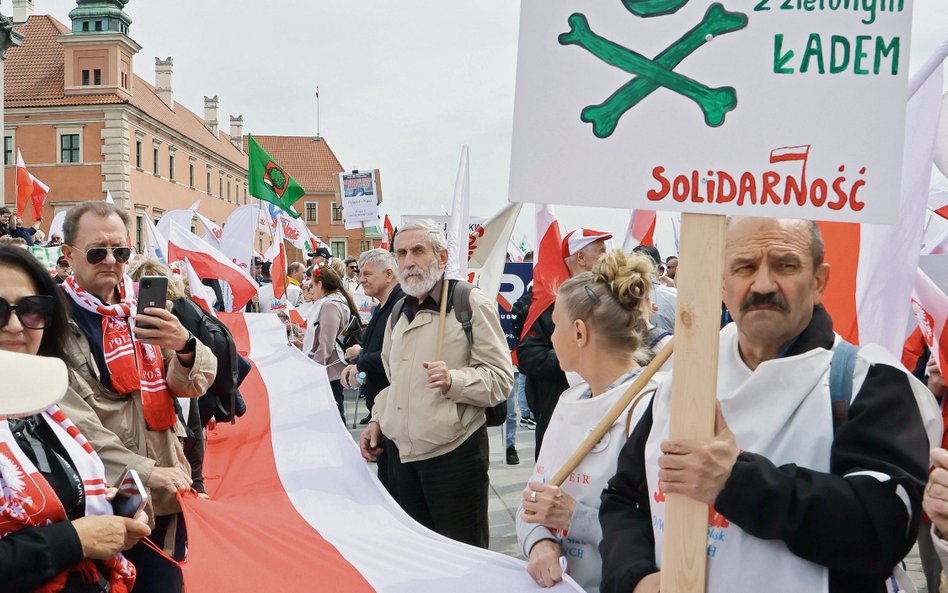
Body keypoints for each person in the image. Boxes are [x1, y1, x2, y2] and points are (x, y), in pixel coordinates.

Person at [599, 217, 941, 593]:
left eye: (785, 265)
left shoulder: (869, 381)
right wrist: (636, 577)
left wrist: (736, 482)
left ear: (818, 282)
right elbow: (623, 498)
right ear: (723, 284)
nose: (762, 284)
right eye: (745, 267)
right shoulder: (685, 377)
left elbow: (883, 528)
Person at [58, 201, 217, 593]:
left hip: (164, 493)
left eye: (121, 251)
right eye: (97, 252)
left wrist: (183, 346)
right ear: (68, 255)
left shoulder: (139, 309)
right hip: (101, 498)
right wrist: (145, 471)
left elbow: (193, 384)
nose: (111, 261)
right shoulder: (52, 322)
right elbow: (74, 421)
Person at [0, 245, 150, 592]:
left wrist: (100, 511)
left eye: (31, 310)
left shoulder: (44, 404)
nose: (13, 326)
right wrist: (76, 539)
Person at [358, 219, 513, 548]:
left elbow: (501, 379)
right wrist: (377, 420)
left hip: (453, 457)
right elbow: (393, 382)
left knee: (461, 560)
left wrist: (454, 380)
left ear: (442, 258)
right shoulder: (398, 310)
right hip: (401, 459)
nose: (409, 261)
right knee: (416, 558)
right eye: (401, 253)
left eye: (418, 251)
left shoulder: (470, 302)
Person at [517, 250, 660, 593]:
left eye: (555, 325)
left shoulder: (653, 407)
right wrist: (540, 542)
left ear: (579, 333)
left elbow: (667, 533)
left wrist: (575, 519)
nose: (550, 338)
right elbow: (533, 502)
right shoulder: (570, 401)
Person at [519, 228, 611, 459]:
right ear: (580, 257)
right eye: (601, 252)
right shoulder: (545, 301)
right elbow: (528, 356)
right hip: (557, 410)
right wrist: (577, 362)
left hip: (602, 409)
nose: (607, 258)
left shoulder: (608, 296)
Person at [340, 249, 404, 494]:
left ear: (389, 275)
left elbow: (394, 354)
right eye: (360, 274)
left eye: (367, 274)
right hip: (381, 411)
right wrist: (362, 353)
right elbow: (376, 348)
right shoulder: (381, 308)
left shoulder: (400, 306)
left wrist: (362, 362)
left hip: (395, 410)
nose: (361, 279)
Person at [304, 265, 360, 421]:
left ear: (321, 284)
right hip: (331, 368)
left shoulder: (330, 305)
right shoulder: (334, 302)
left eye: (312, 285)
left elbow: (326, 343)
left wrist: (314, 368)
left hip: (329, 370)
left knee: (333, 418)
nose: (311, 290)